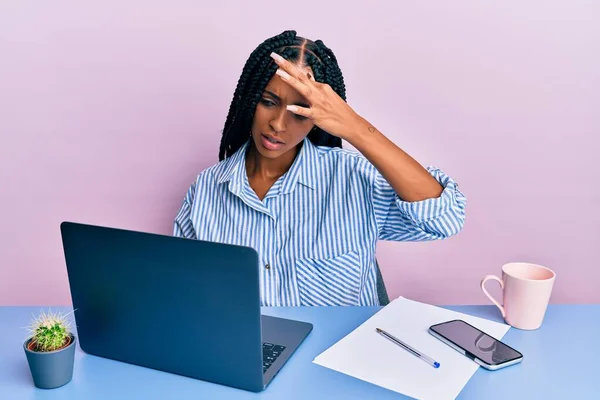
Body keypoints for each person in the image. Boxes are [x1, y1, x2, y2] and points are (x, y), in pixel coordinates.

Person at [173, 30, 467, 307]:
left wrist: (355, 128)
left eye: (300, 112)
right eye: (268, 101)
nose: (277, 124)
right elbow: (185, 290)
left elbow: (444, 219)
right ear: (250, 100)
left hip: (341, 355)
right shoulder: (207, 190)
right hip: (244, 353)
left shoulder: (354, 179)